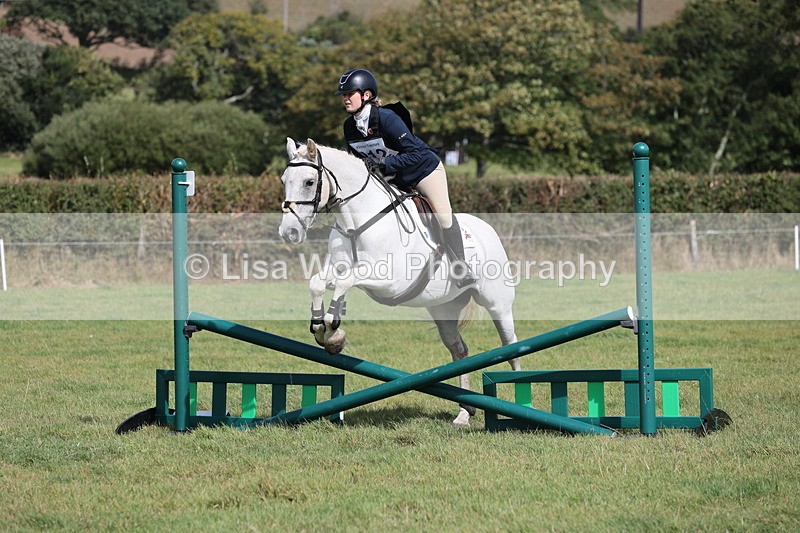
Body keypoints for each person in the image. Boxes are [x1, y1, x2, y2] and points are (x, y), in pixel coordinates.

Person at [335, 68, 476, 287]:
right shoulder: (349, 127)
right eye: (343, 95)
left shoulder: (387, 118)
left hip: (423, 171)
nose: (345, 99)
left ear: (366, 95)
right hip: (393, 178)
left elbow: (415, 153)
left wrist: (383, 164)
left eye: (349, 93)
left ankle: (461, 268)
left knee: (443, 215)